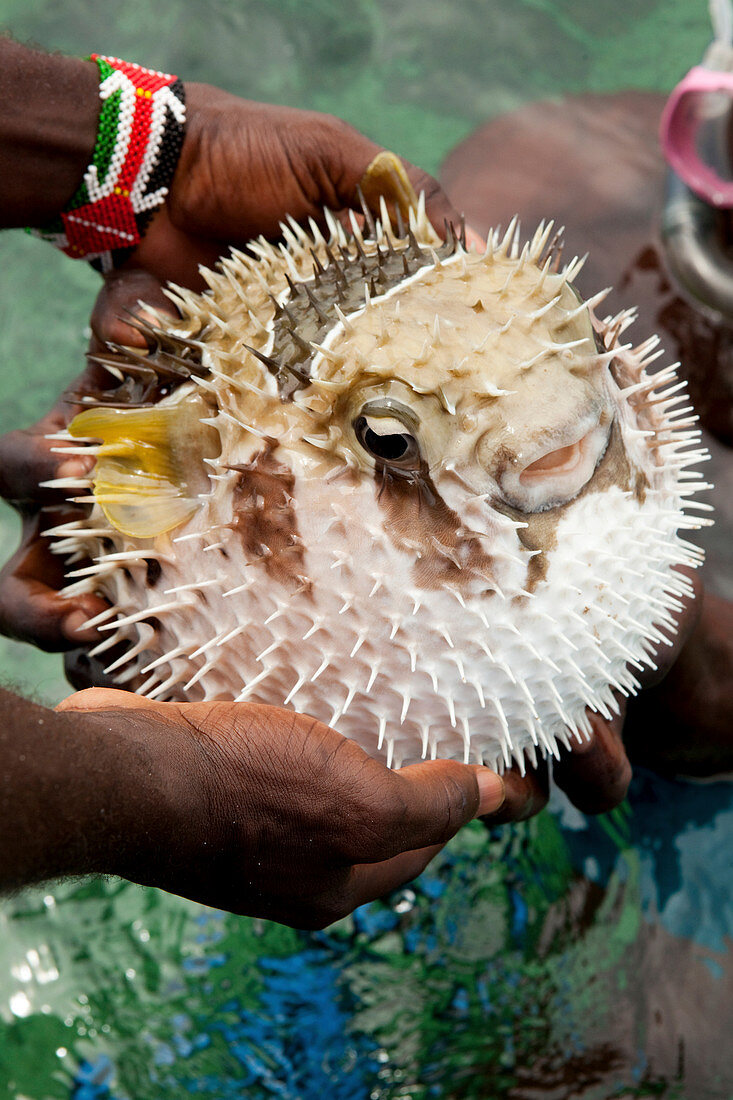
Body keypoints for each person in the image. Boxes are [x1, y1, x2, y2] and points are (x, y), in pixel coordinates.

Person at [0, 38, 680, 929]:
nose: (551, 438)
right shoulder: (210, 487)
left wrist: (151, 153)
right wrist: (156, 794)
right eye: (392, 437)